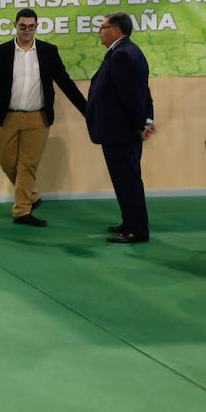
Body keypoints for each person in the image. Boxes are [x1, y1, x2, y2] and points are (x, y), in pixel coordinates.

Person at [0, 8, 88, 227]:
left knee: (27, 166)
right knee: (8, 162)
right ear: (15, 26)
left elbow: (65, 82)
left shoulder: (48, 51)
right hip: (6, 117)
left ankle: (22, 211)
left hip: (38, 118)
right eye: (23, 26)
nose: (27, 30)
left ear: (37, 27)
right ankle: (32, 195)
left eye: (31, 26)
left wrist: (87, 110)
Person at [85, 12, 156, 244]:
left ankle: (137, 230)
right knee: (126, 179)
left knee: (128, 181)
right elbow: (143, 90)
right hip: (122, 130)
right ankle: (129, 223)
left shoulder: (122, 54)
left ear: (116, 30)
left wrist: (139, 125)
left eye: (102, 27)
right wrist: (147, 119)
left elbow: (131, 95)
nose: (99, 32)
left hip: (121, 132)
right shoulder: (128, 51)